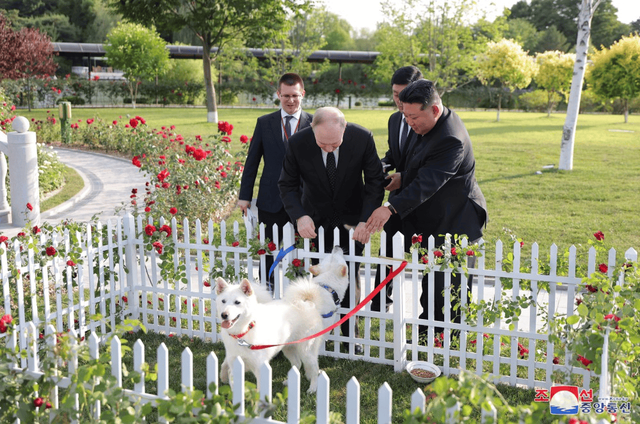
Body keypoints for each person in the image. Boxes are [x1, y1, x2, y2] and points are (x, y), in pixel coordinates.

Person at [365, 79, 487, 339]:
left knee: (447, 286)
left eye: (413, 116)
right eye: (405, 115)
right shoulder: (427, 124)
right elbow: (421, 165)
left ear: (434, 109)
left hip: (456, 221)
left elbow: (429, 182)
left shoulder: (451, 139)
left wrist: (390, 208)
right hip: (435, 218)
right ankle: (428, 333)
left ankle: (445, 339)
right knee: (431, 282)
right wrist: (402, 178)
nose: (409, 122)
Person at [279, 107, 385, 354]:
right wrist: (300, 217)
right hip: (314, 221)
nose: (328, 148)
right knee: (319, 279)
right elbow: (287, 184)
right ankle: (317, 334)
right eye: (322, 144)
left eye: (334, 143)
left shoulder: (363, 138)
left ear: (344, 129)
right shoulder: (298, 143)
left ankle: (351, 337)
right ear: (312, 131)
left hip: (353, 222)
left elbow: (374, 183)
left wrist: (365, 219)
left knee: (349, 276)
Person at [238, 73, 313, 287]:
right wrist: (245, 196)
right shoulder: (265, 123)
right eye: (286, 95)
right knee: (267, 250)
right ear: (278, 94)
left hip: (302, 200)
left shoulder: (314, 122)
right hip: (270, 200)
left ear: (303, 94)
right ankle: (266, 290)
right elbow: (252, 161)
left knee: (300, 250)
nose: (291, 100)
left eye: (295, 95)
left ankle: (299, 292)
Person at [371, 65, 423, 313]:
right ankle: (381, 303)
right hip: (396, 200)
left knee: (427, 260)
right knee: (387, 254)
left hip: (424, 200)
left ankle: (429, 312)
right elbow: (395, 154)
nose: (400, 102)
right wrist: (383, 165)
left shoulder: (427, 121)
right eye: (395, 94)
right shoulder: (393, 120)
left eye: (405, 94)